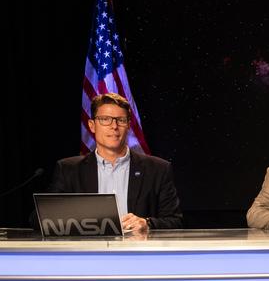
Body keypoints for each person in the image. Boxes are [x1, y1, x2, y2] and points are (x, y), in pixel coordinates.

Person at [47, 93, 182, 230]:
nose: (114, 126)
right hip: (88, 250)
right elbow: (41, 218)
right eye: (105, 119)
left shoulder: (158, 169)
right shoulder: (69, 169)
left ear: (129, 125)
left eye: (121, 120)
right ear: (92, 125)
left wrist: (147, 223)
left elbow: (175, 222)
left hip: (137, 250)